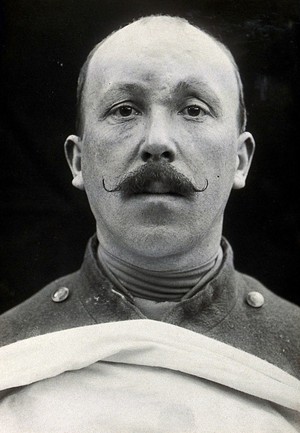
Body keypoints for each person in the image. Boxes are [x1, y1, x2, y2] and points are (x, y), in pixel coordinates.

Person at [0, 15, 299, 432]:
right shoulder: (11, 351)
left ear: (240, 159)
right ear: (79, 160)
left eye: (194, 109)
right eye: (125, 110)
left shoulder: (293, 350)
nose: (157, 142)